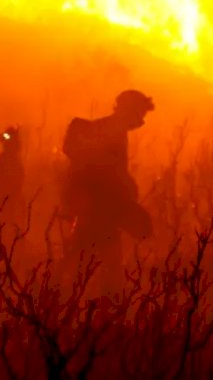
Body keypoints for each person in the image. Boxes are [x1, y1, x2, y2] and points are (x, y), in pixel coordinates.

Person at [61, 90, 154, 293]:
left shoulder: (107, 131)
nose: (141, 121)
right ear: (128, 110)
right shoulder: (109, 132)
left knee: (82, 266)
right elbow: (107, 176)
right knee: (104, 272)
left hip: (96, 211)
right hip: (99, 213)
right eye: (139, 114)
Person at [0, 126, 25, 230]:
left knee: (8, 221)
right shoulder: (4, 158)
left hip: (10, 198)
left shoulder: (14, 161)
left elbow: (18, 180)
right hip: (1, 196)